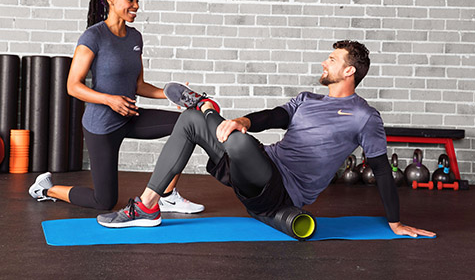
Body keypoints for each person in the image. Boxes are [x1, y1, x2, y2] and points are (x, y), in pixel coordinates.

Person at [96, 40, 436, 238]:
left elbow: (379, 167)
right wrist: (243, 119)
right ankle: (146, 205)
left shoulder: (365, 116)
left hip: (282, 193)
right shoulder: (308, 99)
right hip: (256, 169)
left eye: (332, 60)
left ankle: (207, 107)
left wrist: (395, 221)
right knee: (188, 121)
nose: (325, 62)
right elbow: (275, 116)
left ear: (349, 71)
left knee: (238, 140)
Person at [28, 0, 204, 213]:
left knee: (188, 125)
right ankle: (45, 189)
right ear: (111, 0)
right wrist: (109, 99)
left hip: (130, 117)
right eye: (131, 0)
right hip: (102, 127)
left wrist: (173, 95)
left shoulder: (135, 37)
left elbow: (138, 85)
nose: (136, 6)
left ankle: (167, 195)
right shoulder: (93, 37)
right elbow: (72, 85)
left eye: (138, 0)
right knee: (105, 202)